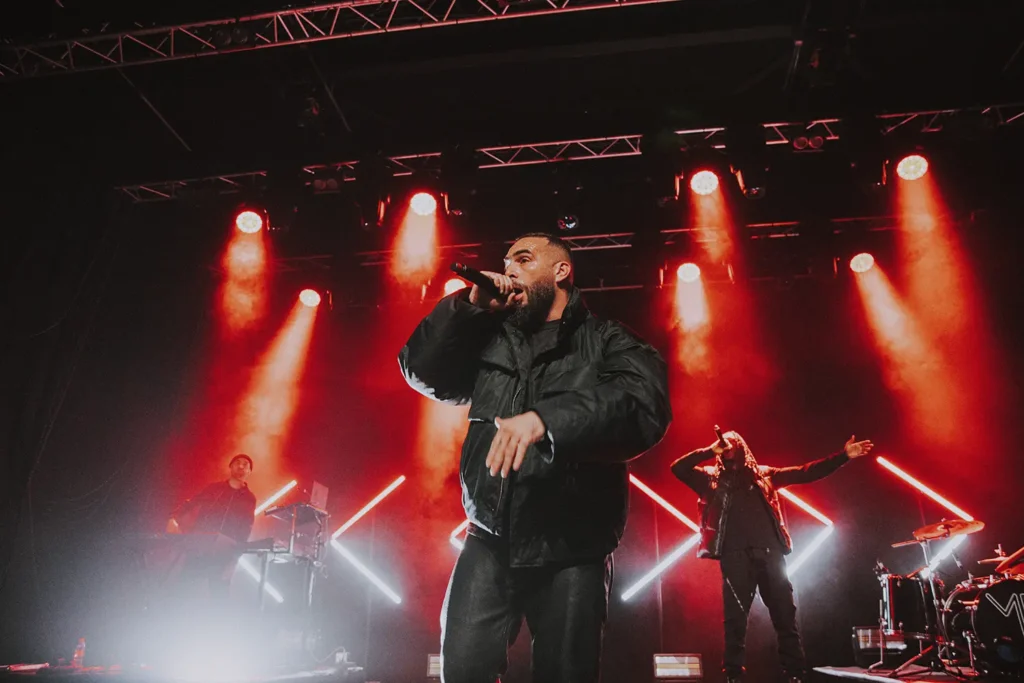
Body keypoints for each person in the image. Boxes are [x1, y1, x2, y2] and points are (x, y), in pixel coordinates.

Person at [399, 232, 672, 683]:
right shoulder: (491, 337)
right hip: (490, 537)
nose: (510, 270)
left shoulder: (607, 339)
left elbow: (643, 405)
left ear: (560, 271)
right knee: (462, 671)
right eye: (507, 262)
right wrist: (468, 307)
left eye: (523, 260)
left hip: (572, 543)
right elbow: (421, 370)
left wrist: (547, 420)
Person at [670, 430, 873, 683]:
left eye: (733, 442)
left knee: (785, 616)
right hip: (735, 557)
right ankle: (733, 675)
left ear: (742, 446)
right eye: (724, 443)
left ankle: (795, 674)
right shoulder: (709, 478)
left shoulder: (765, 475)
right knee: (735, 622)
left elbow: (805, 472)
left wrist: (843, 456)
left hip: (771, 554)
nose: (728, 445)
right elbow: (677, 468)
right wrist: (709, 451)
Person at [166, 454, 257, 598]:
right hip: (200, 546)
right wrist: (173, 517)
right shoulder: (214, 488)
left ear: (249, 471)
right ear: (230, 467)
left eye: (245, 464)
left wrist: (234, 560)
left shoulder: (249, 498)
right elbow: (192, 502)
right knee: (182, 591)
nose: (241, 466)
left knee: (219, 595)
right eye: (237, 462)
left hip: (223, 553)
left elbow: (245, 530)